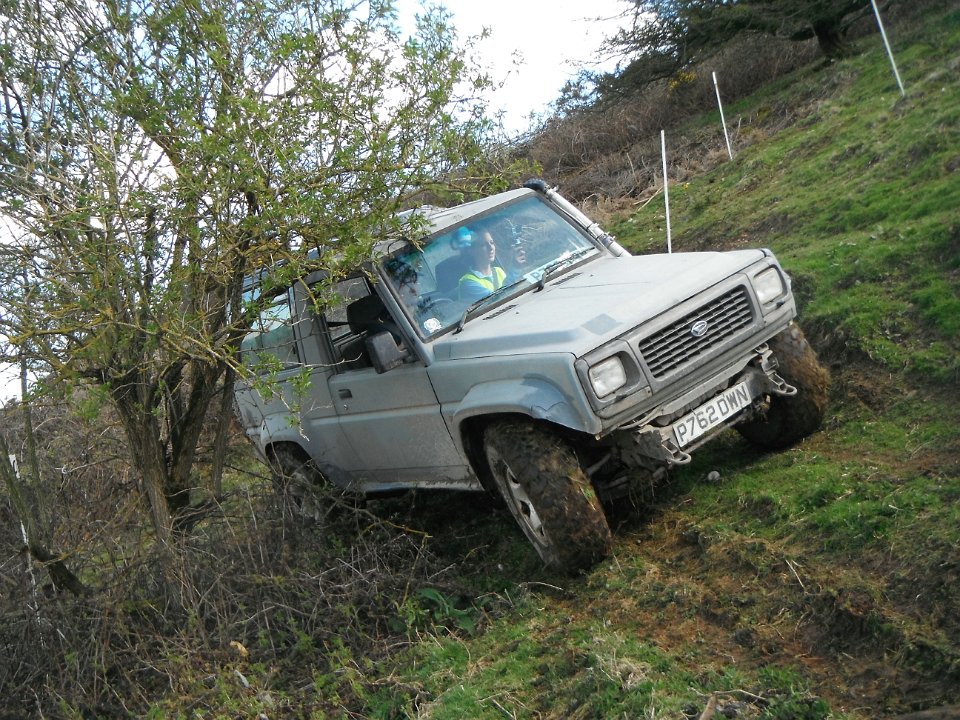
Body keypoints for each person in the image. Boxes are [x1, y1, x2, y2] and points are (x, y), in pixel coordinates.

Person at [457, 226, 507, 302]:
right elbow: (495, 299)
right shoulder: (467, 282)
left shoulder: (498, 271)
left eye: (492, 242)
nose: (491, 248)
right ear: (472, 251)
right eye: (483, 245)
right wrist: (515, 267)